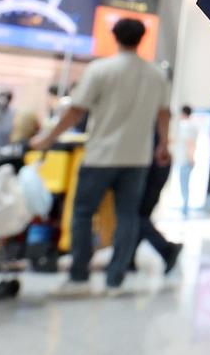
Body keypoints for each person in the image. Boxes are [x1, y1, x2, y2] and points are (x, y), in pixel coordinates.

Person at [31, 18, 171, 297]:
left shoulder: (101, 69)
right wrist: (163, 144)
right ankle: (115, 279)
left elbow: (76, 110)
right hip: (137, 157)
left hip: (100, 155)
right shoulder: (156, 74)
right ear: (142, 38)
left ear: (115, 36)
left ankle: (79, 274)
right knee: (127, 216)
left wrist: (48, 137)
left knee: (83, 213)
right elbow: (164, 113)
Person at [129, 128, 184, 275]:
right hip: (153, 171)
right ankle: (128, 259)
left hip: (152, 171)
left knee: (137, 216)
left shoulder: (148, 128)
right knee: (138, 216)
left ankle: (167, 249)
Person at [173, 105, 199, 217]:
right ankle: (185, 207)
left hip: (185, 160)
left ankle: (185, 208)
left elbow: (190, 143)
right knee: (185, 184)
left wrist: (190, 158)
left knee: (184, 184)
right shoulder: (192, 126)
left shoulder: (186, 126)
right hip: (185, 159)